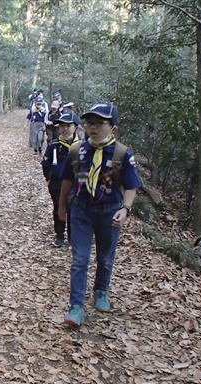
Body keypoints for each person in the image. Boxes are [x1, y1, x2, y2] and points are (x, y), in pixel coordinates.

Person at [57, 101, 142, 327]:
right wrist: (62, 208)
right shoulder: (78, 150)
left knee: (105, 257)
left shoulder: (122, 154)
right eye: (89, 123)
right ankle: (76, 307)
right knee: (79, 259)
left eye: (99, 123)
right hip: (82, 210)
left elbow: (131, 186)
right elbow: (67, 180)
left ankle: (101, 290)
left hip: (109, 211)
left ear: (113, 127)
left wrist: (125, 209)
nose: (92, 128)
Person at [41, 110, 81, 247]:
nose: (64, 129)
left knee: (74, 209)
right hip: (57, 182)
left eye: (68, 126)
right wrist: (49, 179)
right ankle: (59, 235)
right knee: (59, 206)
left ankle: (72, 235)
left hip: (77, 183)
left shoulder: (82, 145)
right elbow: (45, 163)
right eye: (62, 126)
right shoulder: (54, 145)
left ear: (75, 127)